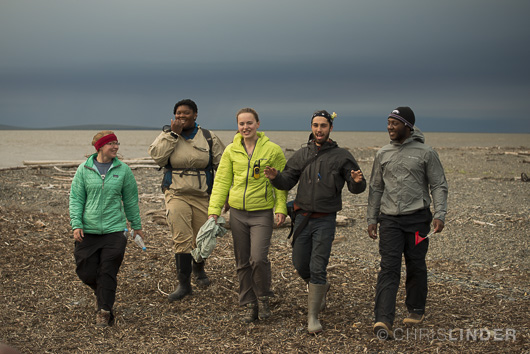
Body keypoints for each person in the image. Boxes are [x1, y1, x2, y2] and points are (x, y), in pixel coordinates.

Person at [264, 110, 366, 334]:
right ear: (311, 127)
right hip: (302, 218)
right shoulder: (302, 154)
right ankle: (320, 288)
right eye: (315, 125)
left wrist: (357, 181)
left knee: (318, 267)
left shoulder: (342, 155)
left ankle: (313, 317)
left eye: (323, 126)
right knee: (301, 264)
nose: (319, 129)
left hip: (325, 220)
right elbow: (287, 180)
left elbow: (356, 186)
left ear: (331, 128)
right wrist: (275, 178)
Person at [367, 106, 448, 339]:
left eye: (395, 123)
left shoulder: (426, 153)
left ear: (408, 126)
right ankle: (383, 319)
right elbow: (375, 188)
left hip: (417, 220)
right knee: (389, 267)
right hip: (390, 220)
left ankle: (415, 307)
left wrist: (440, 214)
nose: (390, 127)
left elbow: (438, 185)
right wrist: (372, 218)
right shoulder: (382, 153)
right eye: (389, 122)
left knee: (415, 263)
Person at [208, 108, 288, 323]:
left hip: (261, 213)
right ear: (238, 126)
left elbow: (280, 184)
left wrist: (281, 208)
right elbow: (222, 182)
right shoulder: (231, 151)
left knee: (258, 259)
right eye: (241, 123)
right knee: (242, 261)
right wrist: (214, 211)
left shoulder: (273, 150)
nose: (245, 127)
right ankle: (249, 303)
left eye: (249, 123)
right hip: (237, 214)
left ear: (258, 124)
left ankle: (263, 297)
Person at [148, 99, 225, 301]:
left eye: (186, 113)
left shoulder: (208, 137)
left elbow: (224, 166)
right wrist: (173, 135)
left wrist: (226, 195)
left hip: (203, 195)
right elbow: (156, 157)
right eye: (179, 113)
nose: (182, 117)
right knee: (181, 238)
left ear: (195, 115)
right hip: (176, 193)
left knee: (203, 237)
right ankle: (184, 285)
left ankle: (199, 269)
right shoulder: (168, 135)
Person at [69, 130, 145, 327]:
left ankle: (104, 310)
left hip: (115, 230)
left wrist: (136, 226)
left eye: (117, 143)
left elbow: (130, 200)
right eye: (111, 143)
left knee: (108, 269)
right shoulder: (83, 170)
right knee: (85, 270)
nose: (116, 147)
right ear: (100, 146)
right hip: (89, 230)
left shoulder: (124, 170)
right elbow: (76, 199)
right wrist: (76, 224)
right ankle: (104, 293)